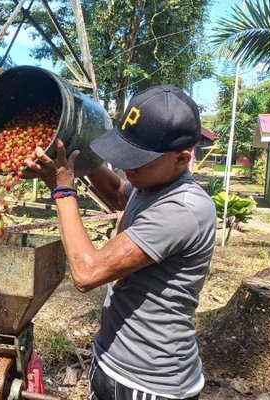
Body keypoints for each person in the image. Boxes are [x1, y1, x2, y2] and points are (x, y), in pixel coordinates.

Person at [25, 85, 216, 400]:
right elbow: (117, 194)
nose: (128, 168)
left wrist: (62, 188)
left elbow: (87, 272)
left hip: (148, 383)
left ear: (182, 159)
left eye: (138, 161)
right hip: (113, 362)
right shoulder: (150, 185)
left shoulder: (183, 209)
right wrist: (77, 151)